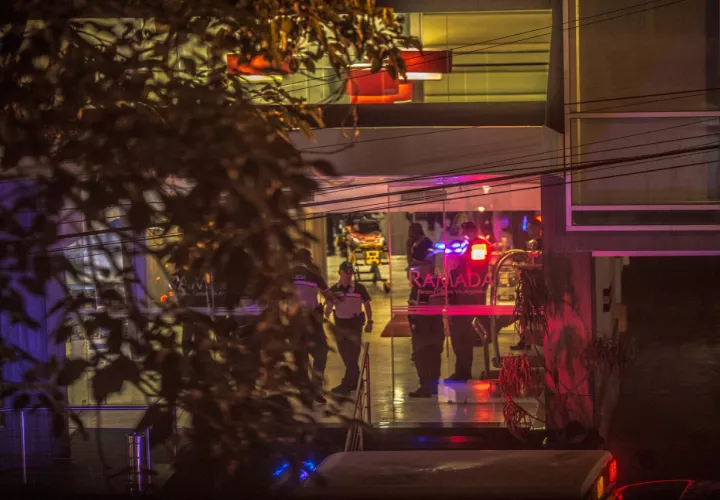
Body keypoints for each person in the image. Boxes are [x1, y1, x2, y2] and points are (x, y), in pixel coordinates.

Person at [446, 221, 489, 382]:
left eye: (464, 232)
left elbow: (476, 267)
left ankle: (463, 372)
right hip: (461, 296)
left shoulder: (478, 246)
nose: (462, 235)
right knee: (460, 338)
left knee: (462, 337)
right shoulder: (466, 246)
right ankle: (462, 370)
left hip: (467, 297)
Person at [291, 248, 333, 403]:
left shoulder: (287, 276)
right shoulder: (314, 275)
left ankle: (304, 391)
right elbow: (329, 296)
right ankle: (316, 388)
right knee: (321, 352)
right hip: (312, 320)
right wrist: (327, 309)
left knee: (300, 357)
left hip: (294, 321)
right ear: (308, 260)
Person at [325, 261, 373, 396]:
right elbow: (329, 308)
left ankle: (346, 384)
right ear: (339, 273)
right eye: (345, 272)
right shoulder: (334, 290)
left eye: (350, 272)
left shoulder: (359, 288)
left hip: (355, 325)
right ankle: (357, 381)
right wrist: (326, 311)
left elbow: (367, 305)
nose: (348, 274)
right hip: (340, 326)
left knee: (353, 355)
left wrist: (370, 321)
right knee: (345, 355)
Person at [408, 259, 445, 398]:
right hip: (433, 323)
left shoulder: (423, 284)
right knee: (433, 355)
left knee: (423, 355)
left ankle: (426, 386)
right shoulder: (439, 283)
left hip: (425, 324)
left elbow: (417, 306)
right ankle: (433, 385)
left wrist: (413, 319)